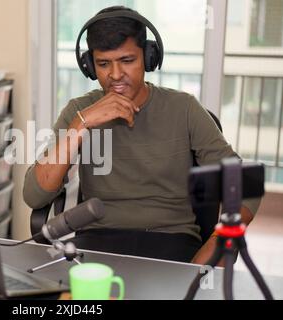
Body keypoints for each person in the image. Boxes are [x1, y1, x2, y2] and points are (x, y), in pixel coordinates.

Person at [23, 6, 260, 263]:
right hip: (98, 239)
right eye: (103, 64)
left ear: (148, 57)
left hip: (173, 240)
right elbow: (35, 195)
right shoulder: (79, 111)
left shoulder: (184, 108)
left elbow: (245, 184)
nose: (115, 75)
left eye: (127, 61)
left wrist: (217, 241)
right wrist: (82, 124)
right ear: (90, 65)